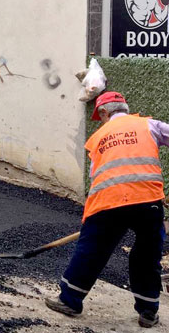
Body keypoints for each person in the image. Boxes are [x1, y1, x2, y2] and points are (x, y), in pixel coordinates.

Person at [45, 91, 167, 328]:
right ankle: (148, 311)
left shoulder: (99, 137)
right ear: (125, 108)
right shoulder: (149, 125)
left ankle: (69, 301)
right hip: (148, 201)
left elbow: (96, 177)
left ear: (103, 112)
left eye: (99, 116)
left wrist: (92, 219)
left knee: (92, 251)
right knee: (147, 255)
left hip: (108, 203)